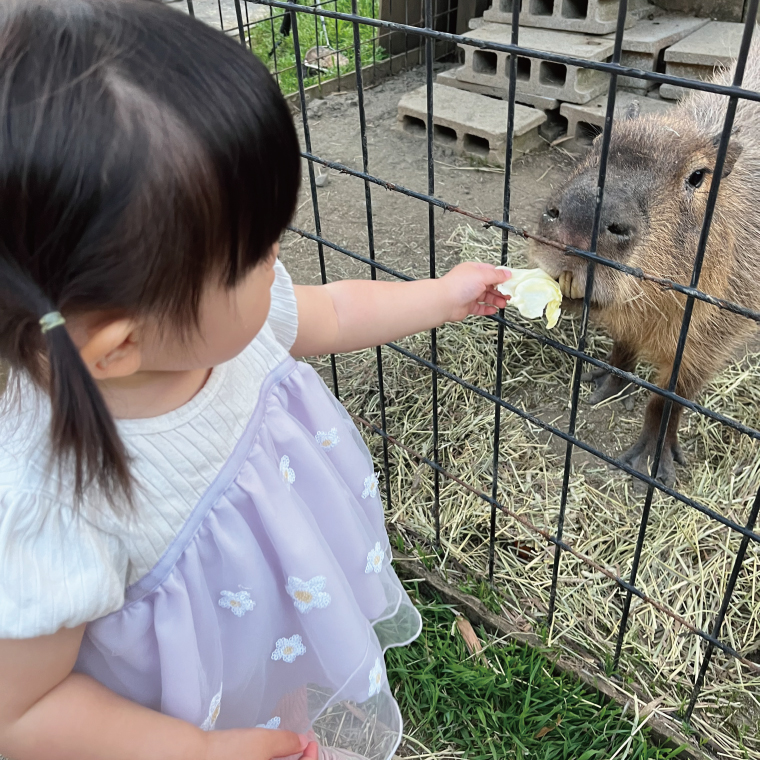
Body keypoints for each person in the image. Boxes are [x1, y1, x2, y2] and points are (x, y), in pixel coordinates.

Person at [0, 2, 511, 760]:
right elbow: (24, 711)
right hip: (164, 722)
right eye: (253, 253)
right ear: (119, 346)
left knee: (277, 707)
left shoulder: (206, 327)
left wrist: (440, 295)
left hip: (255, 634)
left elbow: (333, 311)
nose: (278, 252)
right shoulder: (53, 498)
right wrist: (197, 752)